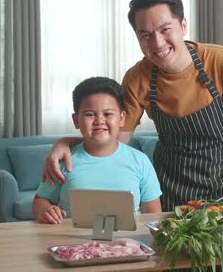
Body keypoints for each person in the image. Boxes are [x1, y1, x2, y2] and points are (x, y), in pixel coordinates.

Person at [42, 0, 223, 211]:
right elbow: (112, 141)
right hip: (170, 191)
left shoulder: (222, 61)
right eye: (145, 35)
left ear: (183, 26)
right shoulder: (137, 78)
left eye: (165, 30)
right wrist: (65, 142)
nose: (157, 43)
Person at [33, 77, 162, 224]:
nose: (99, 121)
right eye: (89, 114)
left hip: (127, 244)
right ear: (76, 120)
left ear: (121, 118)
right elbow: (40, 200)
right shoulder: (64, 160)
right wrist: (45, 210)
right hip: (73, 244)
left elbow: (153, 216)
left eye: (108, 114)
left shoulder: (140, 161)